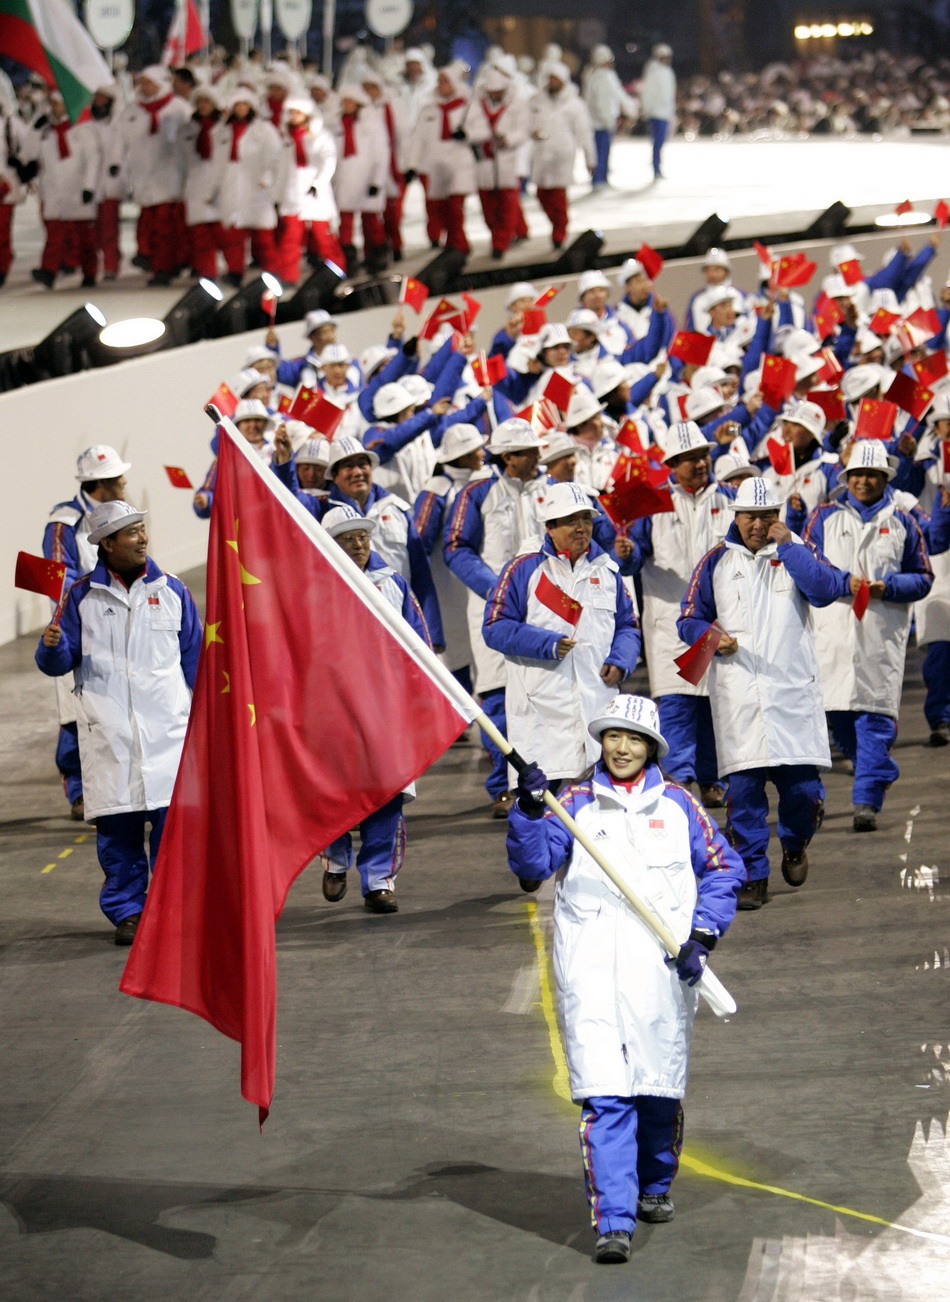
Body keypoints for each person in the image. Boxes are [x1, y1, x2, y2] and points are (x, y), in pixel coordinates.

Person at [506, 693, 743, 1263]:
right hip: (589, 975)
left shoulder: (681, 805)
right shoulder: (572, 804)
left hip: (660, 977)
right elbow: (533, 868)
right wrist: (530, 811)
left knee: (656, 1092)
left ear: (652, 748)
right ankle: (614, 1220)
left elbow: (722, 868)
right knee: (606, 1095)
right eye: (613, 736)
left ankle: (655, 1183)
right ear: (601, 741)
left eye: (634, 739)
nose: (622, 748)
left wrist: (703, 936)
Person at [35, 501, 201, 945]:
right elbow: (57, 662)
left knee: (174, 836)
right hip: (111, 738)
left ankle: (174, 911)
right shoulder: (82, 597)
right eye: (132, 532)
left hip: (168, 737)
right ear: (107, 544)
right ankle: (129, 912)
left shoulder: (173, 592)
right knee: (119, 836)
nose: (143, 537)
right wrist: (50, 646)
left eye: (143, 528)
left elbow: (196, 662)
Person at [678, 477, 844, 909]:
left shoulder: (797, 552)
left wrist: (788, 545)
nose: (759, 524)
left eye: (768, 515)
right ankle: (753, 874)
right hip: (739, 698)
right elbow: (688, 619)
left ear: (779, 516)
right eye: (751, 516)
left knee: (803, 792)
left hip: (791, 695)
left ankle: (795, 842)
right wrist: (711, 634)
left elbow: (826, 591)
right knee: (744, 796)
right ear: (735, 516)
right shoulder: (715, 560)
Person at [803, 439, 933, 831]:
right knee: (838, 715)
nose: (864, 481)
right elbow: (808, 570)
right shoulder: (823, 517)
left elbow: (923, 577)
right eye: (857, 474)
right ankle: (873, 770)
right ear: (847, 477)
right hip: (834, 635)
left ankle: (867, 801)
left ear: (884, 478)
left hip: (880, 637)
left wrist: (889, 587)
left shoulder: (903, 520)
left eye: (872, 475)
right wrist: (843, 584)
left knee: (874, 718)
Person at [483, 481, 640, 802]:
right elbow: (495, 627)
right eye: (572, 520)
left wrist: (622, 660)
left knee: (601, 808)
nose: (581, 527)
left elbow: (628, 626)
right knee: (538, 807)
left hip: (597, 703)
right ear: (550, 527)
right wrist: (547, 643)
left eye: (586, 519)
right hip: (541, 709)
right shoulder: (523, 568)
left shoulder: (607, 570)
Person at [319, 504, 430, 914]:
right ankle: (335, 858)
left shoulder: (393, 584)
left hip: (385, 710)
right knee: (335, 792)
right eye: (348, 539)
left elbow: (419, 644)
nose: (359, 544)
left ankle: (379, 880)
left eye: (363, 536)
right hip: (332, 711)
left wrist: (423, 697)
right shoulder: (311, 588)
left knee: (387, 794)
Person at [444, 417, 547, 816]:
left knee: (542, 695)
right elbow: (456, 546)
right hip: (491, 609)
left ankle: (543, 781)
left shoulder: (552, 489)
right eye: (528, 451)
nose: (538, 455)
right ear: (508, 457)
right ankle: (503, 785)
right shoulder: (477, 493)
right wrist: (496, 589)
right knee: (498, 698)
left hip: (544, 611)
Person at [629, 422, 735, 805]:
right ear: (673, 463)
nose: (699, 463)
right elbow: (634, 558)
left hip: (719, 620)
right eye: (689, 458)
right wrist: (627, 555)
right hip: (668, 622)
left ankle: (712, 778)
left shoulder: (731, 498)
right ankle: (681, 784)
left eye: (703, 455)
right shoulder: (651, 503)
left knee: (713, 705)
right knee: (677, 704)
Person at [43, 445, 132, 821]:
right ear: (100, 484)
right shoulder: (63, 522)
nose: (124, 483)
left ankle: (118, 787)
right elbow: (60, 577)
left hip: (117, 626)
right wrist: (80, 617)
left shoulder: (121, 515)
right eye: (117, 479)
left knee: (118, 708)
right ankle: (78, 791)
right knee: (72, 715)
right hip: (76, 629)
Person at [326, 437, 444, 650]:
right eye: (348, 466)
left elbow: (420, 574)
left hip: (400, 615)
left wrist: (433, 633)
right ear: (334, 476)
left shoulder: (396, 508)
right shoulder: (320, 512)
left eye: (363, 464)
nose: (358, 472)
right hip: (350, 630)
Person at [118, 65, 190, 286]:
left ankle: (164, 268)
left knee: (165, 230)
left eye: (150, 83)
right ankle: (155, 262)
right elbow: (121, 141)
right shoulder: (133, 111)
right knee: (149, 228)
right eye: (143, 83)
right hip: (143, 180)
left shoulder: (178, 108)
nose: (145, 87)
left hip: (169, 180)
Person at [30, 91, 101, 289]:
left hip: (77, 190)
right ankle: (49, 271)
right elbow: (29, 154)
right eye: (52, 104)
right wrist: (35, 131)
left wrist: (89, 186)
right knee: (54, 236)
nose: (54, 108)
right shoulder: (47, 132)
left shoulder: (84, 129)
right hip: (54, 191)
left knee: (85, 238)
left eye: (58, 104)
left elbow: (93, 159)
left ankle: (89, 273)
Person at [406, 64, 475, 255]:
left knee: (455, 207)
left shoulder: (467, 107)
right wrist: (412, 165)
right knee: (440, 208)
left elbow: (480, 130)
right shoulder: (429, 110)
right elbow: (418, 139)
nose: (441, 85)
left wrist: (468, 134)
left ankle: (458, 244)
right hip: (435, 165)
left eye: (445, 81)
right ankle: (451, 243)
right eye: (440, 81)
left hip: (459, 164)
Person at [527, 63, 596, 249]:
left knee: (558, 197)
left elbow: (584, 133)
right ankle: (557, 225)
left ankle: (559, 232)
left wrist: (590, 158)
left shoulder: (575, 104)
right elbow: (525, 123)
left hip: (562, 156)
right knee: (542, 194)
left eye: (556, 78)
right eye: (550, 78)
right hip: (542, 154)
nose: (552, 82)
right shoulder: (537, 101)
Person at [466, 65, 531, 260]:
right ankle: (518, 230)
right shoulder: (476, 105)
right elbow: (468, 129)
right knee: (488, 207)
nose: (494, 96)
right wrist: (487, 135)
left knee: (507, 204)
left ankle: (500, 242)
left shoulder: (518, 105)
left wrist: (507, 139)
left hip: (508, 162)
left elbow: (523, 130)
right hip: (484, 163)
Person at [332, 83, 389, 276]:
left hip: (367, 179)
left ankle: (375, 257)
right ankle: (348, 259)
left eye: (350, 101)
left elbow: (381, 153)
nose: (346, 104)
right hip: (345, 179)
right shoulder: (337, 124)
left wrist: (377, 181)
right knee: (345, 222)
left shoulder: (372, 123)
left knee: (371, 221)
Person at [583, 44, 636, 187]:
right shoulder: (600, 77)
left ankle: (602, 177)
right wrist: (608, 119)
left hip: (601, 120)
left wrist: (630, 108)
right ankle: (598, 179)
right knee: (600, 153)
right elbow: (602, 102)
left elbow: (618, 94)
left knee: (603, 152)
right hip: (600, 122)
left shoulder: (599, 75)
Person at [639, 43, 676, 180]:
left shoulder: (667, 71)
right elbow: (647, 93)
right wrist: (647, 109)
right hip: (655, 113)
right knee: (657, 141)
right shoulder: (653, 71)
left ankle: (658, 166)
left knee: (662, 141)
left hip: (665, 112)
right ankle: (656, 168)